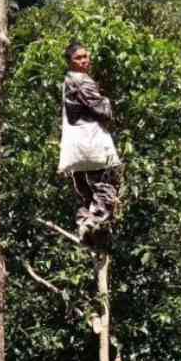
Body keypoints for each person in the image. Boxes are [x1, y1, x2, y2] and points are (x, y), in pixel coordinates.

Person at [58, 42, 122, 245]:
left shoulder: (67, 81)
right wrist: (108, 103)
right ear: (69, 62)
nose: (85, 61)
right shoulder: (82, 82)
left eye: (86, 56)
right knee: (107, 190)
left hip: (75, 151)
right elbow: (103, 111)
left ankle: (87, 231)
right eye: (79, 58)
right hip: (92, 147)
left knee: (87, 196)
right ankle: (90, 226)